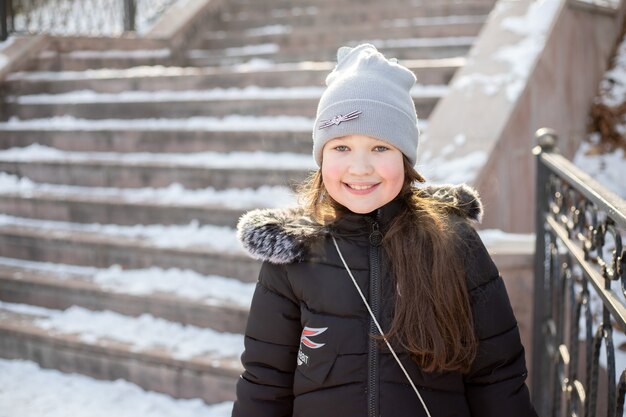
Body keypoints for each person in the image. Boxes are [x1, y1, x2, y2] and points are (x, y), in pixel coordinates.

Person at [231, 44, 537, 417]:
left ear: (406, 160)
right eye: (341, 147)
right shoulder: (294, 253)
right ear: (321, 158)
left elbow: (497, 376)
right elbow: (265, 381)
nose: (360, 168)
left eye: (379, 147)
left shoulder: (452, 241)